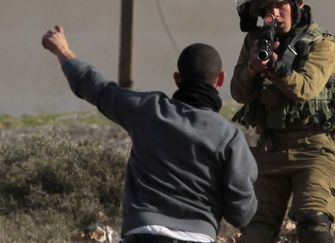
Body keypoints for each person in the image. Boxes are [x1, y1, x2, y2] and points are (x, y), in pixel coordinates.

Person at [42, 26, 258, 243]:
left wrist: (63, 51)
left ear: (177, 78)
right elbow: (241, 212)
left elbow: (95, 87)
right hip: (198, 236)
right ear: (220, 79)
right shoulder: (230, 137)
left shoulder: (147, 110)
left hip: (143, 232)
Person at [231, 0, 335, 242]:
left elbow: (305, 88)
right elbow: (239, 93)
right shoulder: (254, 42)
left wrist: (275, 68)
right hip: (270, 149)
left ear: (298, 4)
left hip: (312, 150)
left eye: (280, 6)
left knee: (315, 227)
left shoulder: (323, 44)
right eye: (266, 10)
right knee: (255, 232)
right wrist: (252, 68)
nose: (274, 14)